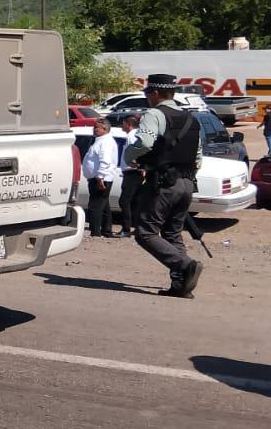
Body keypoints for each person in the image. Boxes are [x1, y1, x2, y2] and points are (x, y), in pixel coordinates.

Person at [123, 75, 204, 297]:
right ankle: (181, 286)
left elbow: (146, 142)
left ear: (155, 93)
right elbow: (198, 157)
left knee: (145, 233)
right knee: (172, 233)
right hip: (187, 183)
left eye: (147, 93)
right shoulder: (191, 119)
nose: (147, 98)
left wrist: (129, 155)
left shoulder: (155, 114)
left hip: (163, 183)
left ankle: (185, 265)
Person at [81, 118, 120, 237]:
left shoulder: (105, 142)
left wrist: (100, 177)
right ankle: (106, 230)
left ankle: (95, 232)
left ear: (104, 129)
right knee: (104, 206)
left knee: (95, 206)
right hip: (97, 178)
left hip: (101, 179)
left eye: (96, 127)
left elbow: (105, 161)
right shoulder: (100, 141)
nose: (94, 129)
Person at [115, 113, 144, 238]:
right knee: (135, 202)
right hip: (133, 172)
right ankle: (137, 228)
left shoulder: (132, 136)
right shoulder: (136, 135)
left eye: (124, 123)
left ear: (129, 124)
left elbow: (137, 151)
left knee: (124, 201)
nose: (122, 125)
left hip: (132, 173)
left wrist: (136, 164)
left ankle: (126, 228)